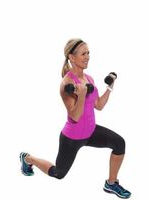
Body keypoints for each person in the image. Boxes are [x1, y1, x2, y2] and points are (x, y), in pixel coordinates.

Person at [20, 38, 131, 199]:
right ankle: (28, 158)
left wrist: (110, 88)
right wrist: (81, 95)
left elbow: (98, 105)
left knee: (119, 143)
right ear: (71, 57)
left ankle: (111, 183)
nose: (87, 57)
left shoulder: (89, 79)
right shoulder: (66, 84)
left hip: (91, 131)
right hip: (72, 137)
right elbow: (75, 116)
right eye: (83, 54)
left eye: (88, 53)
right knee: (59, 173)